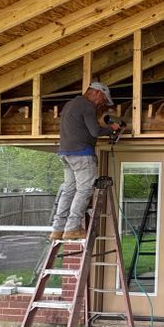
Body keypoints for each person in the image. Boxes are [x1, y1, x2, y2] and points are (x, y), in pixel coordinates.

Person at [50, 82, 121, 241]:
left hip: (66, 153)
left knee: (69, 190)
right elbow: (95, 131)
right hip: (81, 154)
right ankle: (73, 228)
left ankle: (57, 229)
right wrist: (112, 128)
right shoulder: (87, 106)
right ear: (96, 93)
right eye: (103, 99)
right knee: (84, 190)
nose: (102, 104)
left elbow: (84, 129)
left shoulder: (70, 104)